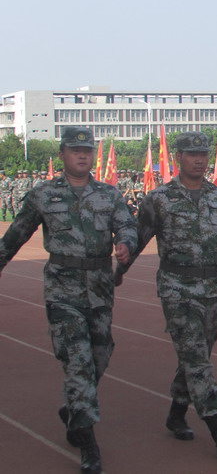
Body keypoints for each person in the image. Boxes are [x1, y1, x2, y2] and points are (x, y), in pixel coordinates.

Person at [116, 131, 217, 460]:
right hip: (177, 287)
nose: (199, 160)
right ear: (178, 158)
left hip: (213, 288)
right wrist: (120, 267)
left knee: (197, 354)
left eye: (203, 154)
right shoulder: (160, 198)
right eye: (192, 154)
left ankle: (176, 413)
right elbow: (138, 236)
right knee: (196, 356)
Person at [0, 126, 137, 474]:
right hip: (62, 289)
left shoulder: (109, 194)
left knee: (101, 354)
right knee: (78, 360)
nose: (82, 155)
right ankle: (87, 441)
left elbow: (128, 226)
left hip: (100, 288)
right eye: (75, 150)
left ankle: (73, 407)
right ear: (62, 154)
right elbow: (16, 235)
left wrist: (125, 243)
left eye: (87, 150)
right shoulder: (44, 195)